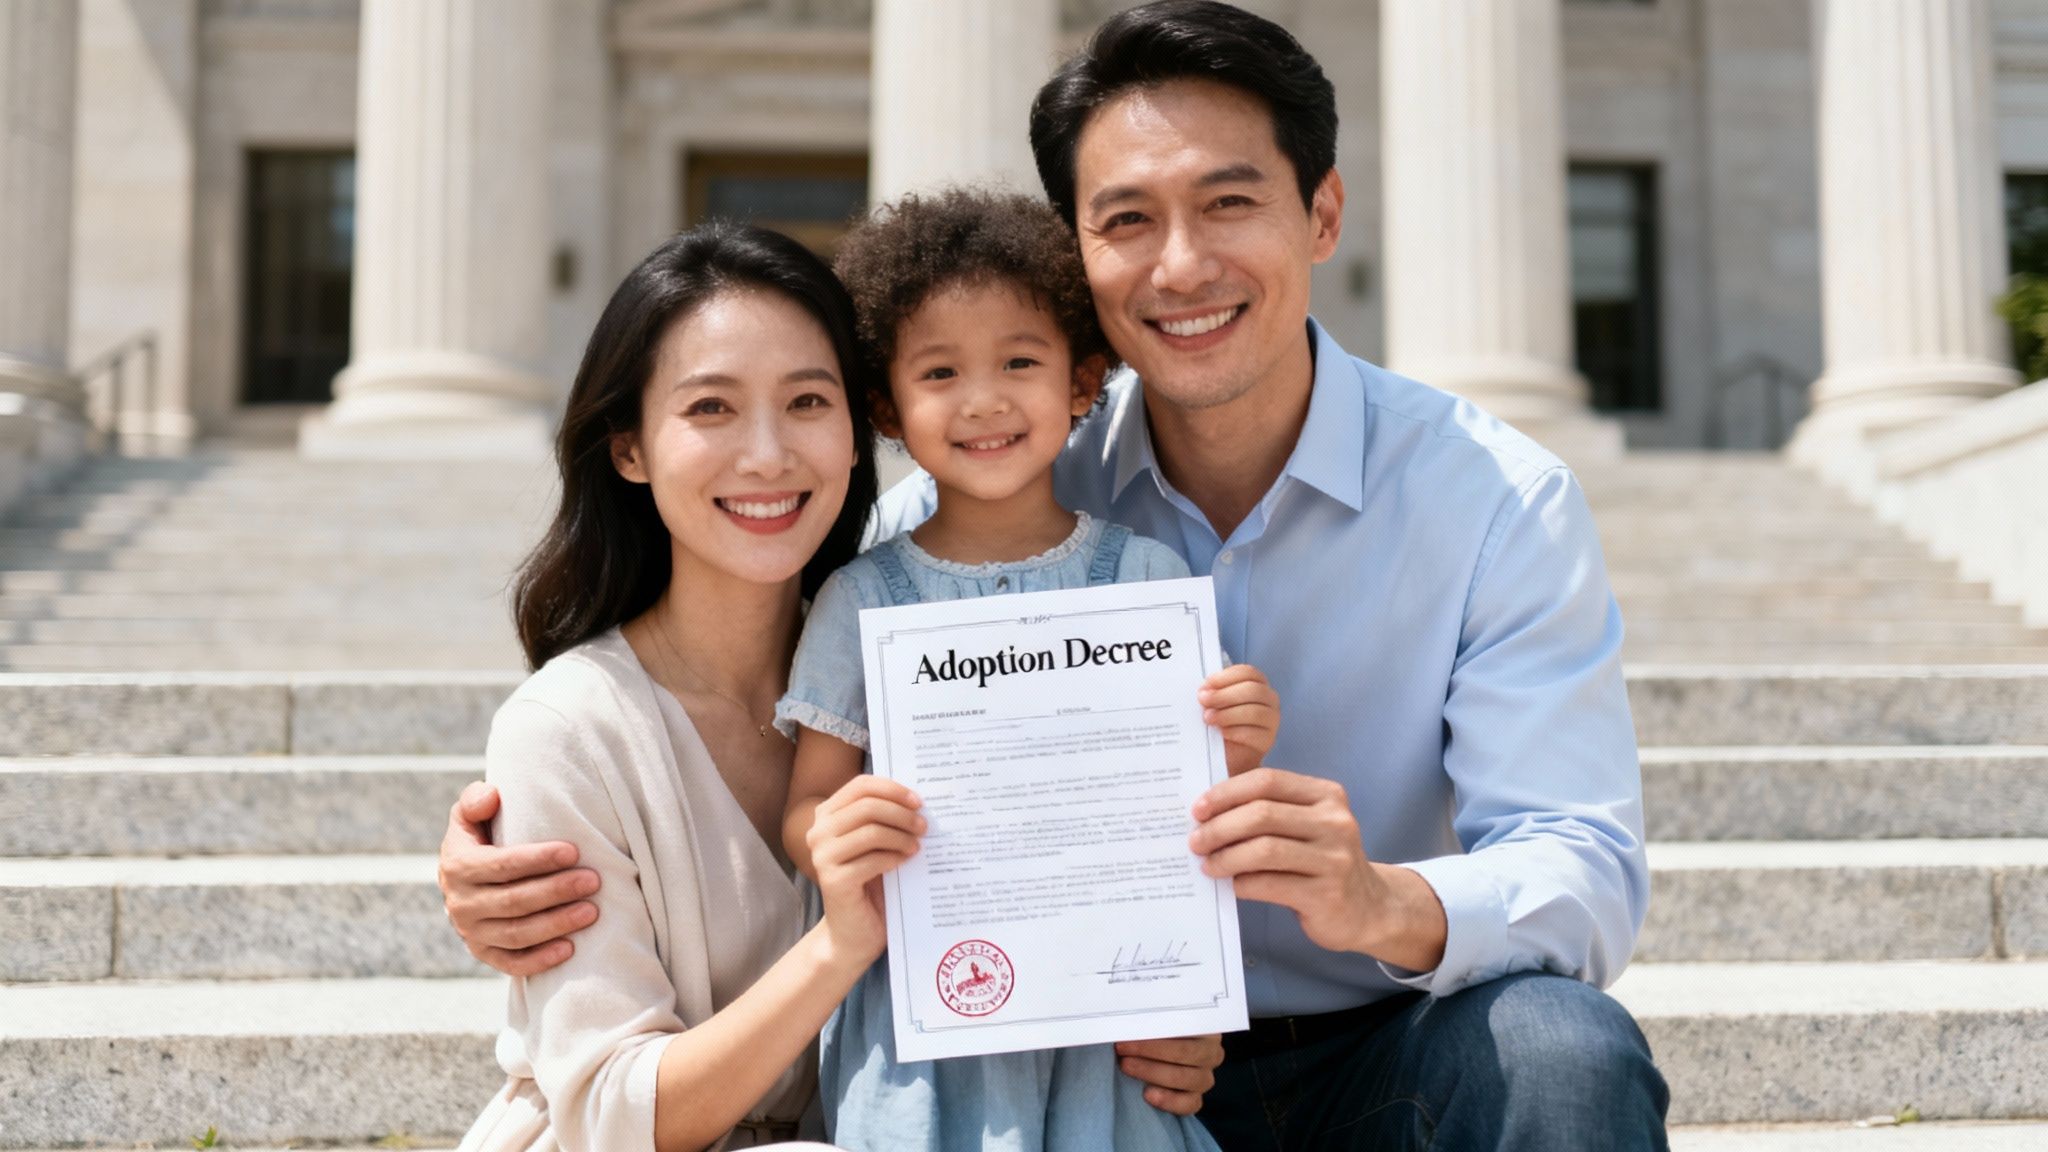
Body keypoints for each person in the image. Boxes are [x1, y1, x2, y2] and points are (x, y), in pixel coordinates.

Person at [442, 3, 1670, 1149]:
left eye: (1227, 202)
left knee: (1562, 1054)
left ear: (1323, 214)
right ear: (1076, 255)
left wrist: (1382, 901)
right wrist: (538, 837)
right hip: (1072, 1057)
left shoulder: (1495, 501)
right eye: (1127, 219)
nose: (1180, 266)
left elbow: (1578, 862)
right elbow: (739, 679)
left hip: (1373, 1045)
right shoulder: (960, 509)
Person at [773, 189, 1278, 1152]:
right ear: (884, 404)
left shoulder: (1144, 577)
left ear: (1084, 382)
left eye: (1020, 361)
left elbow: (1195, 813)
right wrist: (838, 837)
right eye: (939, 372)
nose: (985, 399)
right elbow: (807, 806)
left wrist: (1243, 747)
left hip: (1109, 1009)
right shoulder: (861, 598)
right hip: (934, 1004)